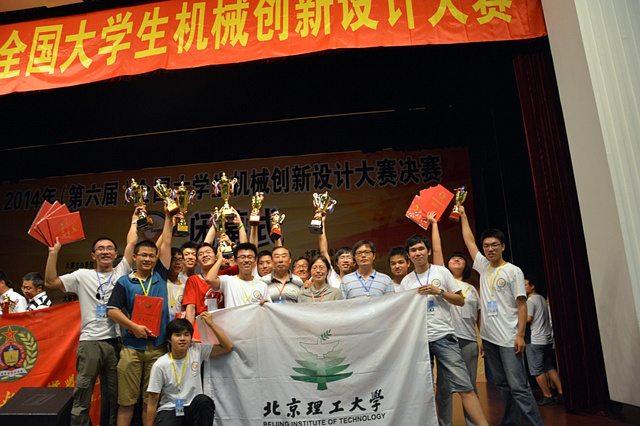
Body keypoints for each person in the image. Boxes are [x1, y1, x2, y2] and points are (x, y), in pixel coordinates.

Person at [44, 207, 139, 426]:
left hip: (116, 343)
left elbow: (132, 243)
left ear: (115, 254)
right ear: (93, 255)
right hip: (90, 343)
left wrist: (135, 220)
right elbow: (50, 282)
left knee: (115, 398)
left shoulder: (121, 271)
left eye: (110, 249)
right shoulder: (82, 276)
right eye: (100, 249)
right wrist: (53, 253)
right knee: (83, 394)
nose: (105, 252)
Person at [458, 205, 544, 425]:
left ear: (503, 246)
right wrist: (464, 215)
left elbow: (522, 305)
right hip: (489, 339)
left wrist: (520, 335)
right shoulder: (483, 266)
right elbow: (469, 241)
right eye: (486, 246)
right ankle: (511, 422)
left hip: (509, 337)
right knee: (503, 385)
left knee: (518, 387)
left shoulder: (513, 271)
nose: (490, 249)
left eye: (494, 245)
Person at [401, 234, 489, 426]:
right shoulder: (406, 282)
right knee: (422, 391)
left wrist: (438, 291)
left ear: (428, 251)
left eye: (421, 249)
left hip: (444, 336)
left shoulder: (442, 272)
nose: (417, 253)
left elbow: (460, 300)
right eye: (413, 250)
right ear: (409, 255)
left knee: (465, 386)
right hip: (419, 340)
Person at [107, 203, 175, 426]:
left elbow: (166, 241)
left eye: (151, 256)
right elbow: (112, 310)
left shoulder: (160, 275)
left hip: (157, 348)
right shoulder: (125, 281)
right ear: (134, 257)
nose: (148, 259)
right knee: (126, 402)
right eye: (143, 255)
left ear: (157, 258)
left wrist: (168, 216)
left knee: (150, 401)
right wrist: (134, 327)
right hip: (131, 348)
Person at [428, 212, 481, 426]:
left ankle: (472, 423)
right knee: (444, 388)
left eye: (460, 258)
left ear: (466, 265)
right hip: (447, 338)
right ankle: (444, 423)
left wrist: (481, 339)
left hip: (468, 340)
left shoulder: (472, 289)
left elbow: (479, 316)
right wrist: (434, 224)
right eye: (452, 258)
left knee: (469, 386)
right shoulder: (441, 277)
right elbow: (437, 250)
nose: (456, 260)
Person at [146, 313, 233, 425]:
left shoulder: (197, 350)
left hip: (192, 408)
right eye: (177, 335)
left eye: (186, 335)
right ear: (169, 339)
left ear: (191, 338)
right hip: (170, 409)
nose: (182, 339)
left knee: (203, 400)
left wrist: (211, 324)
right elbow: (152, 402)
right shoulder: (160, 365)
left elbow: (227, 346)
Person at [525, 276, 563, 405]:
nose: (523, 287)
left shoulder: (530, 300)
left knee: (536, 370)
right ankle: (561, 392)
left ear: (532, 286)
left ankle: (547, 396)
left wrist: (517, 319)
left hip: (534, 339)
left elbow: (528, 318)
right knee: (549, 366)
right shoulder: (541, 298)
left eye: (525, 285)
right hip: (546, 339)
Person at [205, 242, 271, 308]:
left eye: (250, 257)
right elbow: (210, 279)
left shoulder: (262, 285)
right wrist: (219, 259)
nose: (246, 260)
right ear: (235, 260)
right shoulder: (228, 281)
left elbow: (269, 307)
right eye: (242, 257)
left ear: (255, 261)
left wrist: (267, 305)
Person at [183, 243, 225, 323]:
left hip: (223, 323)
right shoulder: (193, 280)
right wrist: (189, 329)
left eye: (208, 252)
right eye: (201, 254)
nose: (205, 255)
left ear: (216, 257)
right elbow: (191, 309)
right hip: (202, 324)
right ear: (197, 262)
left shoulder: (225, 277)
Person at [318, 213, 355, 288]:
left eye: (349, 257)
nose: (345, 260)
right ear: (337, 263)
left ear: (354, 263)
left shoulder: (359, 281)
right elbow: (323, 251)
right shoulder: (333, 278)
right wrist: (322, 222)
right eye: (342, 257)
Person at [167, 248, 186, 320]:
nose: (178, 263)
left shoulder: (185, 287)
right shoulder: (161, 283)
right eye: (174, 259)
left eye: (180, 260)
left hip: (177, 324)